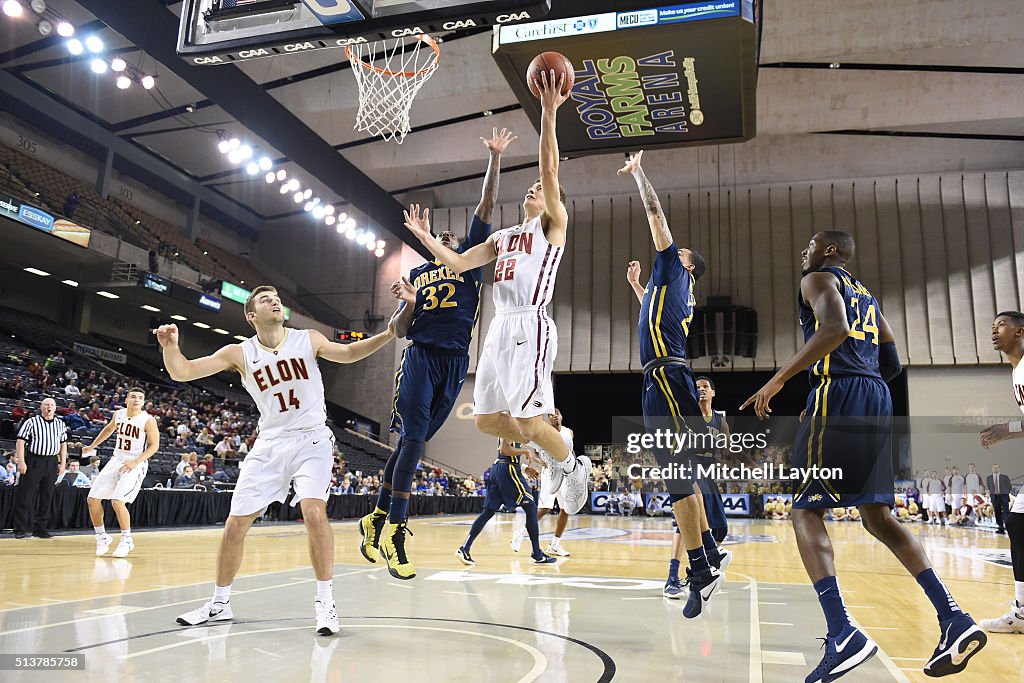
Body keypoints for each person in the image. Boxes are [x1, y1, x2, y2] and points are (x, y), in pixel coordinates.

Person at [741, 230, 985, 680]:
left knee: (803, 510)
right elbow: (891, 361)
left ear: (830, 251)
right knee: (876, 517)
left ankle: (843, 633)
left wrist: (783, 382)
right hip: (875, 395)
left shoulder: (816, 279)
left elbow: (833, 330)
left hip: (844, 393)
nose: (804, 251)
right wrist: (860, 396)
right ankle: (953, 618)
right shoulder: (868, 297)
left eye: (811, 244)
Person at [401, 69, 591, 521]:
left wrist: (548, 111)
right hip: (498, 329)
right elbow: (461, 263)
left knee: (527, 423)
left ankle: (569, 462)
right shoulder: (505, 235)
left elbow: (549, 167)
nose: (534, 189)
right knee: (488, 421)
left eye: (541, 190)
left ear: (552, 201)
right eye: (529, 189)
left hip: (531, 322)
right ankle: (553, 455)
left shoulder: (552, 228)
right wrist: (428, 239)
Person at [157, 285, 395, 635]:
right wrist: (171, 347)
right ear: (252, 315)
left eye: (277, 299)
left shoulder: (308, 339)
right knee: (236, 525)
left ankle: (325, 603)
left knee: (314, 513)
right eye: (266, 300)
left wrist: (389, 334)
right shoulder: (240, 352)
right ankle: (220, 603)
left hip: (312, 438)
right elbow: (183, 372)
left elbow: (347, 353)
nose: (276, 302)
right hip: (270, 443)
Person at [357, 128, 514, 581]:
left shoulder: (468, 262)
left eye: (449, 237)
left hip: (456, 363)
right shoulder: (417, 275)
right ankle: (396, 531)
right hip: (421, 356)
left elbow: (485, 206)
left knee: (413, 441)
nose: (444, 237)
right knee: (413, 441)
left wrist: (495, 157)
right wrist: (407, 302)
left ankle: (377, 516)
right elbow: (399, 331)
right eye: (437, 237)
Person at [619, 151, 725, 618]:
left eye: (674, 253)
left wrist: (639, 172)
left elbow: (655, 214)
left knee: (678, 474)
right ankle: (706, 561)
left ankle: (702, 565)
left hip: (667, 374)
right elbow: (651, 312)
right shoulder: (670, 290)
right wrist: (638, 289)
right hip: (659, 375)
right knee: (677, 472)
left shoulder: (677, 270)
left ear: (686, 266)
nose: (667, 250)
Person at [977, 311, 1024, 633]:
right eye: (992, 327)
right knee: (1018, 523)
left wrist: (1007, 428)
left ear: (1020, 331)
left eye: (1001, 325)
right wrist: (1009, 430)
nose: (994, 331)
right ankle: (1021, 612)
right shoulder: (1017, 370)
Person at [82, 387, 159, 557]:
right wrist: (93, 446)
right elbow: (109, 429)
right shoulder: (119, 414)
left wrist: (135, 462)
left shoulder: (148, 420)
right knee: (92, 499)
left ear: (143, 402)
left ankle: (127, 540)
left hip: (136, 463)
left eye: (140, 397)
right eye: (133, 397)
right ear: (126, 400)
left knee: (117, 502)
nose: (136, 400)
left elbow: (154, 445)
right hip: (116, 460)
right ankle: (101, 537)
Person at [455, 439, 556, 566]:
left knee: (488, 512)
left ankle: (464, 548)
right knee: (530, 506)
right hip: (507, 469)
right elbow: (504, 450)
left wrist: (525, 467)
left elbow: (506, 454)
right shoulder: (509, 422)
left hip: (500, 467)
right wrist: (526, 451)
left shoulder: (513, 425)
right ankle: (537, 554)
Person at [510, 409, 574, 557]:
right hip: (550, 472)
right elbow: (532, 452)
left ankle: (555, 545)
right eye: (551, 415)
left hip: (565, 472)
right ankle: (520, 533)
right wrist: (537, 462)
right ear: (548, 419)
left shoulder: (569, 432)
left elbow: (571, 453)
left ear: (561, 416)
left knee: (567, 509)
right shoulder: (543, 433)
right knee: (545, 508)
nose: (554, 417)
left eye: (557, 414)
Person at [12, 397, 68, 539]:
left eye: (52, 405)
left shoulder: (60, 424)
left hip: (51, 461)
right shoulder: (31, 422)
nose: (49, 407)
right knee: (25, 495)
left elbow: (63, 445)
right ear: (41, 407)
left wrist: (62, 464)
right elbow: (20, 442)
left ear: (55, 408)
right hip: (34, 460)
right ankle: (20, 528)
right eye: (46, 405)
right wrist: (21, 461)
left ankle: (40, 528)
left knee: (47, 496)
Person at [985, 464, 1012, 535]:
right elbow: (989, 487)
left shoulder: (1004, 477)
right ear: (992, 469)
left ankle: (1009, 527)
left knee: (1006, 512)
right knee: (997, 512)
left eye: (996, 468)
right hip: (995, 497)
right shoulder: (989, 478)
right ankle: (1000, 527)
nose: (995, 469)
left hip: (1003, 496)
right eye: (993, 468)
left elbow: (1009, 486)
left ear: (999, 469)